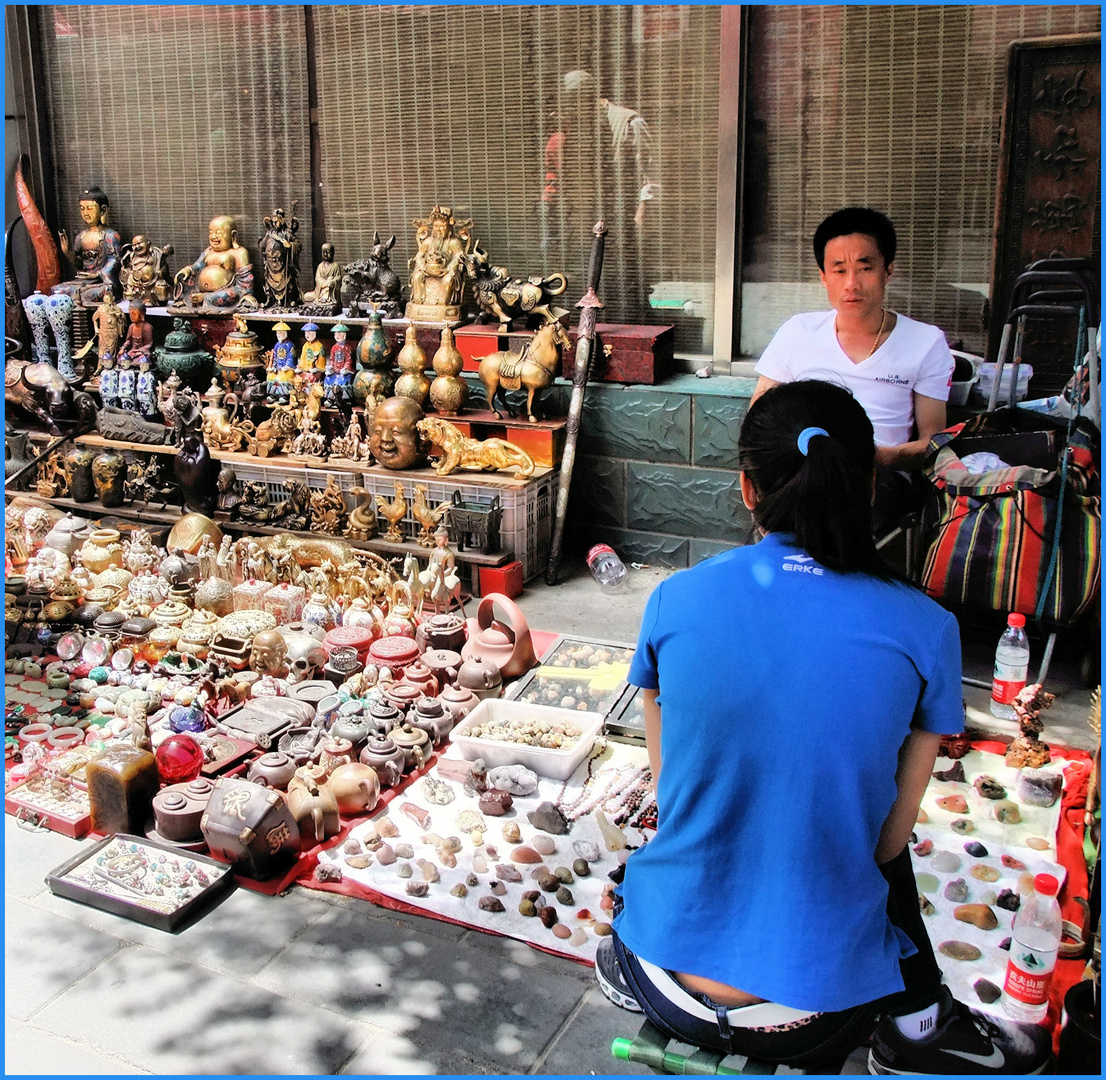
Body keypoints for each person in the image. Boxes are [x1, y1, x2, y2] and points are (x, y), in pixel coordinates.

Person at [597, 379, 1052, 1076]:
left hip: (660, 977)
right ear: (868, 486)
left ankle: (635, 953)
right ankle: (920, 1026)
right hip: (814, 1014)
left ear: (746, 489)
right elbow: (888, 843)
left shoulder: (673, 597)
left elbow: (670, 786)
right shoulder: (926, 627)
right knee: (856, 836)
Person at [753, 207, 954, 535]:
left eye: (865, 267)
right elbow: (758, 417)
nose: (852, 284)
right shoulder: (797, 332)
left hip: (878, 476)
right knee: (787, 514)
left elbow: (933, 443)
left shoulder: (925, 342)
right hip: (801, 466)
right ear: (823, 276)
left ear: (888, 270)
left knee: (826, 525)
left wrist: (881, 457)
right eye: (839, 270)